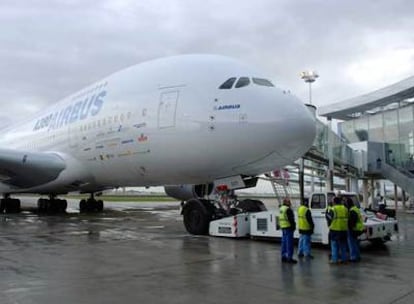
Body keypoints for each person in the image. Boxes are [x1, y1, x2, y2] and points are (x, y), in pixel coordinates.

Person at [327, 196, 349, 264]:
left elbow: (329, 218)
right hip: (344, 229)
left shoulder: (333, 209)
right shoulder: (345, 209)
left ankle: (335, 260)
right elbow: (348, 217)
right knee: (343, 245)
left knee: (334, 245)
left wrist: (329, 225)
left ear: (334, 202)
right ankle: (344, 259)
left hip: (335, 229)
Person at [279, 198, 297, 264]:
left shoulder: (281, 208)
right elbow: (291, 219)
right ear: (286, 202)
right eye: (289, 202)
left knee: (284, 243)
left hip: (283, 227)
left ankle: (283, 256)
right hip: (288, 227)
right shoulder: (288, 209)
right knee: (289, 243)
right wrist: (294, 226)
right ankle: (290, 258)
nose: (290, 203)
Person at [346, 198, 364, 262]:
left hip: (353, 229)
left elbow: (352, 221)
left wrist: (349, 227)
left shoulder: (352, 211)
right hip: (358, 228)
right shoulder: (356, 209)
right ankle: (357, 256)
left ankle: (353, 257)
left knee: (352, 244)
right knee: (356, 243)